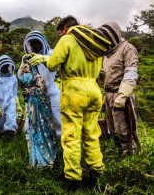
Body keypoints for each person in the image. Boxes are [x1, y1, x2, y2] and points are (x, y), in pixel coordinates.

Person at [28, 21, 110, 188]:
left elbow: (52, 64)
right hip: (94, 90)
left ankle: (73, 179)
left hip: (74, 91)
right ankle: (96, 173)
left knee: (71, 136)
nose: (60, 36)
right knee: (91, 134)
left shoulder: (68, 39)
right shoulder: (93, 42)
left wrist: (44, 58)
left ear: (64, 29)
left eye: (60, 33)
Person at [96, 22, 139, 155]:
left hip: (121, 95)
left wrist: (123, 96)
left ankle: (131, 158)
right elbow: (107, 76)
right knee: (113, 130)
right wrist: (104, 97)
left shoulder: (128, 49)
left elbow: (131, 73)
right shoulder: (107, 54)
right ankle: (121, 155)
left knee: (124, 130)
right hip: (109, 94)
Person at [18, 55, 57, 167]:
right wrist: (26, 92)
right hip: (31, 107)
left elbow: (42, 91)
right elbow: (24, 93)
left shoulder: (38, 77)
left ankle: (46, 159)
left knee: (43, 130)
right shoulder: (24, 77)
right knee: (33, 129)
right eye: (24, 64)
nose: (25, 66)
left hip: (41, 110)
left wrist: (29, 91)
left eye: (28, 64)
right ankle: (35, 160)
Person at [22, 31, 61, 139]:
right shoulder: (26, 58)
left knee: (57, 118)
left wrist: (44, 59)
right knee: (32, 119)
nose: (34, 46)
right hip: (33, 94)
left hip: (51, 92)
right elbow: (21, 76)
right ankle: (32, 143)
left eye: (36, 42)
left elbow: (57, 66)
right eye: (31, 43)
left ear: (42, 42)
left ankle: (61, 143)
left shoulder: (51, 53)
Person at [0, 55, 20, 138]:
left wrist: (17, 104)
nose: (6, 67)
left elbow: (14, 92)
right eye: (4, 66)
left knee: (11, 117)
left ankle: (10, 133)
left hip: (10, 101)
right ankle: (0, 133)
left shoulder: (13, 78)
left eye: (8, 66)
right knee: (0, 121)